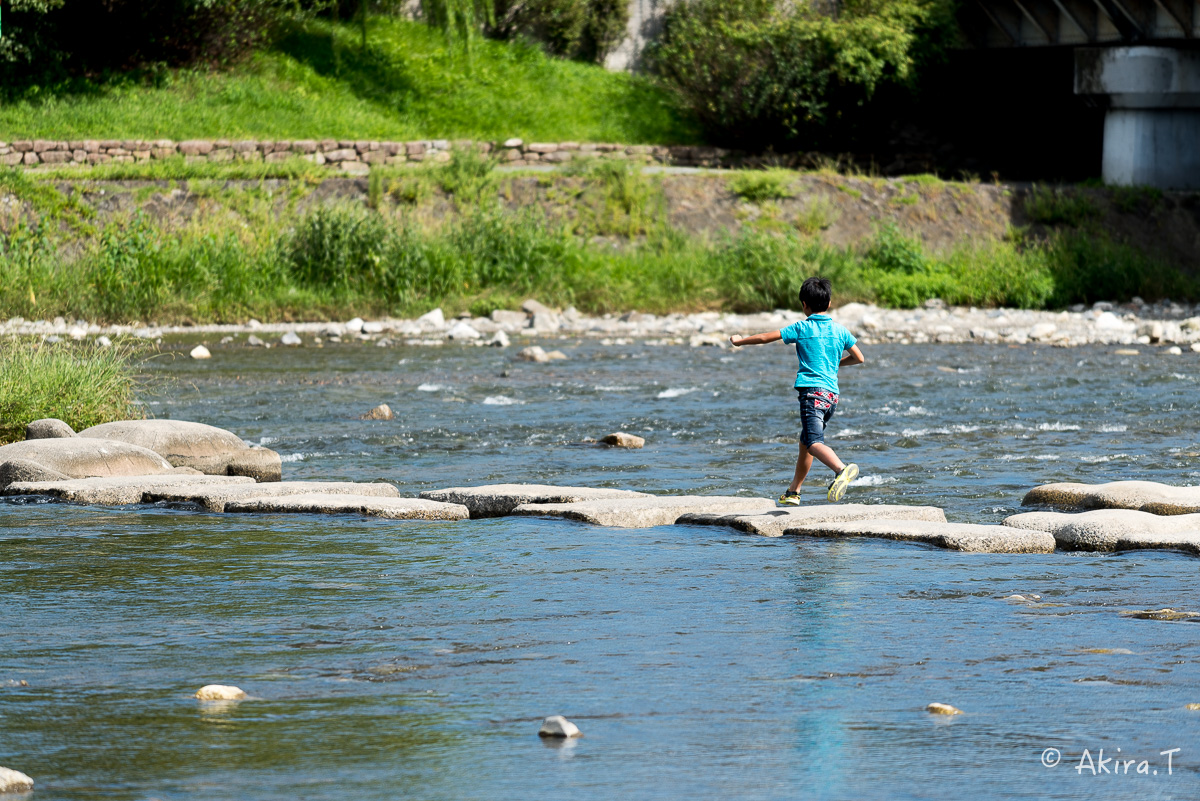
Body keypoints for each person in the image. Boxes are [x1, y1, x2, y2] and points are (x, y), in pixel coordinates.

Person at [729, 277, 865, 505]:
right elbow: (859, 358)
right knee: (805, 444)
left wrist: (740, 341)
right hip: (832, 397)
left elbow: (765, 337)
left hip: (812, 394)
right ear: (829, 303)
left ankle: (841, 470)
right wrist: (833, 364)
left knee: (813, 442)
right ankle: (794, 491)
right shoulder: (840, 330)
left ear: (804, 305)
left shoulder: (802, 327)